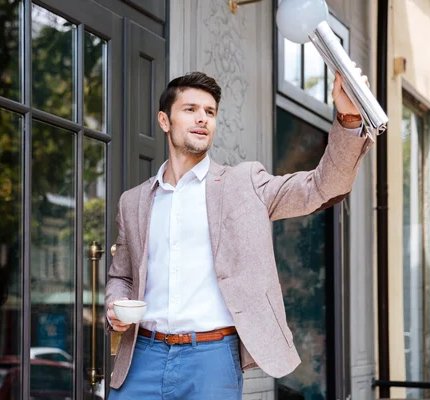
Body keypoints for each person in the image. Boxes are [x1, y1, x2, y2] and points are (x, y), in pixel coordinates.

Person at [105, 70, 373, 399]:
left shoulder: (244, 183)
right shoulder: (133, 201)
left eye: (210, 112)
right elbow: (121, 274)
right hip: (142, 355)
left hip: (211, 359)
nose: (202, 118)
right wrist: (114, 305)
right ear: (165, 120)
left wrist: (348, 117)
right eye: (190, 109)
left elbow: (322, 187)